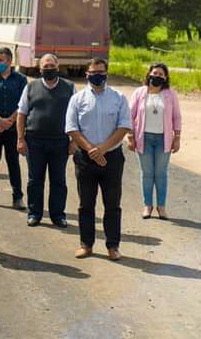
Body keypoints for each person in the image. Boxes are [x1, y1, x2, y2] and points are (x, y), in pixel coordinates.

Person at [66, 58, 131, 261]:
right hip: (85, 158)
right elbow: (71, 127)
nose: (97, 76)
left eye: (100, 72)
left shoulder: (119, 98)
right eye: (93, 72)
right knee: (86, 204)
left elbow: (124, 126)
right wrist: (91, 150)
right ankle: (86, 244)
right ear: (87, 75)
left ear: (106, 73)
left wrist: (102, 149)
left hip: (111, 158)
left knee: (112, 204)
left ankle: (113, 246)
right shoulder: (77, 99)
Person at [17, 53, 75, 228]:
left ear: (58, 67)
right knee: (35, 179)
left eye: (52, 66)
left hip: (60, 141)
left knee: (58, 180)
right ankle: (35, 213)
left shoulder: (70, 87)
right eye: (45, 66)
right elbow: (21, 114)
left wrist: (74, 141)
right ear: (39, 68)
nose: (49, 69)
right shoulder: (31, 87)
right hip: (34, 141)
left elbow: (76, 116)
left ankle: (58, 215)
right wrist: (20, 139)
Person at [128, 63, 182, 220]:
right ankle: (147, 205)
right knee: (147, 173)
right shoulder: (139, 93)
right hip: (143, 138)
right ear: (149, 74)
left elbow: (177, 117)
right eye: (155, 73)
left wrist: (177, 138)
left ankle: (161, 206)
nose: (157, 76)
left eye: (161, 75)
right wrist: (130, 137)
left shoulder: (170, 94)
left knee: (161, 174)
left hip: (163, 140)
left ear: (165, 78)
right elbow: (130, 116)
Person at [0, 47, 28, 209]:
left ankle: (18, 197)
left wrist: (9, 121)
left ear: (9, 61)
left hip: (13, 129)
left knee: (13, 161)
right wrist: (0, 121)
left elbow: (24, 105)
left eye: (0, 60)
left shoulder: (21, 80)